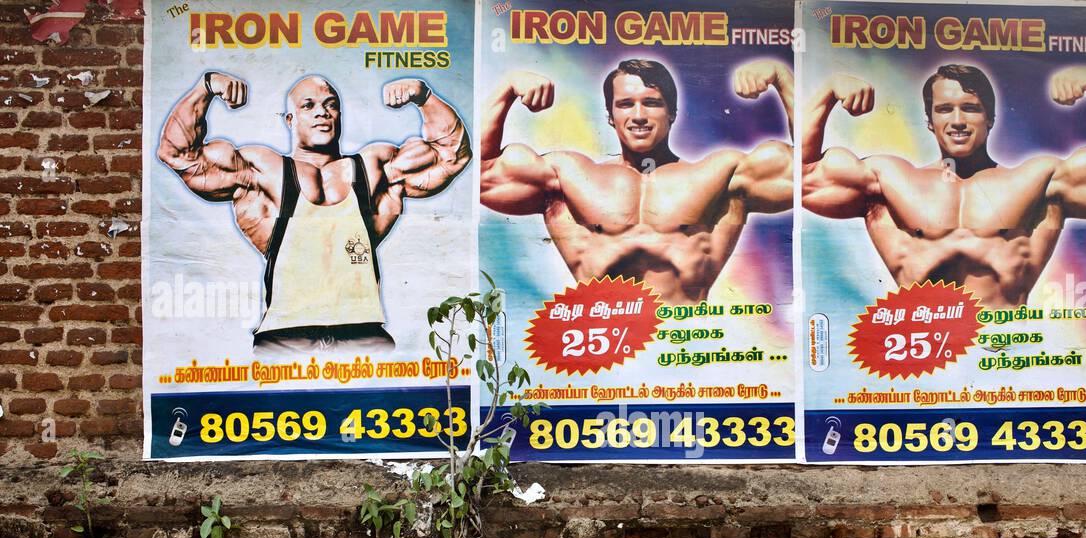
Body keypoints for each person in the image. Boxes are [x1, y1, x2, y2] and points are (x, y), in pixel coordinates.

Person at [156, 72, 470, 352]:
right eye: (308, 105)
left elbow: (452, 158)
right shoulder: (263, 170)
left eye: (331, 104)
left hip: (363, 334)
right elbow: (178, 154)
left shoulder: (375, 168)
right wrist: (206, 87)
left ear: (340, 115)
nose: (322, 111)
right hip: (283, 338)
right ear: (290, 119)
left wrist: (424, 97)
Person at [802, 63, 1086, 308]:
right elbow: (803, 178)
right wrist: (829, 91)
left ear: (991, 118)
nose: (957, 120)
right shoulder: (892, 180)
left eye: (970, 108)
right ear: (930, 120)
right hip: (924, 348)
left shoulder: (1034, 180)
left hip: (1005, 349)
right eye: (944, 109)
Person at [479, 58, 793, 306]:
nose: (639, 115)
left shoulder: (718, 175)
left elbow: (804, 175)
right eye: (626, 104)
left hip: (686, 345)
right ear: (609, 115)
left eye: (652, 103)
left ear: (672, 112)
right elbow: (481, 176)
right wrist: (507, 88)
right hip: (603, 348)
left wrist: (782, 78)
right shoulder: (570, 176)